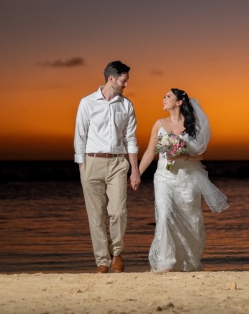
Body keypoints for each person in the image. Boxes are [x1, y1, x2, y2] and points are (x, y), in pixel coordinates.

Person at [138, 88, 228, 272]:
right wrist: (136, 174)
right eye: (164, 96)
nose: (163, 98)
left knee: (190, 219)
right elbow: (149, 152)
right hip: (164, 177)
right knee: (164, 215)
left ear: (179, 102)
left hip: (187, 179)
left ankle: (186, 261)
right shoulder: (159, 124)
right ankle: (166, 262)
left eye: (168, 96)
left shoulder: (192, 125)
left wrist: (181, 156)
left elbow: (200, 155)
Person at [74, 60, 141, 273]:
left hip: (117, 163)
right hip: (92, 162)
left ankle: (117, 253)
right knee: (95, 215)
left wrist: (135, 169)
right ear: (111, 79)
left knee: (118, 212)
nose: (126, 84)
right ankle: (102, 261)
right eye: (124, 80)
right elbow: (80, 135)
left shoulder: (126, 105)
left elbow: (130, 138)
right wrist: (82, 166)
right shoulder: (87, 103)